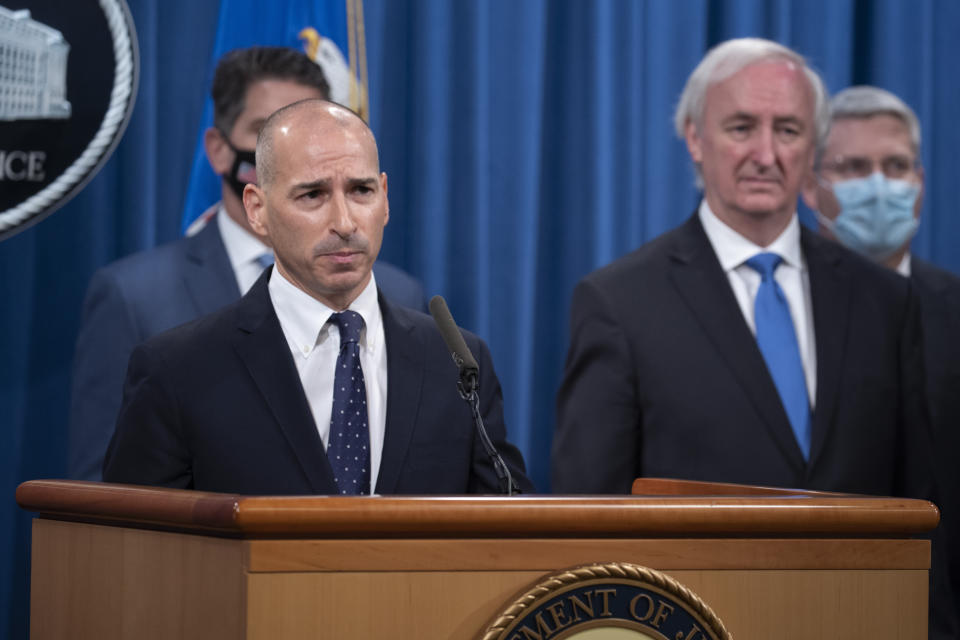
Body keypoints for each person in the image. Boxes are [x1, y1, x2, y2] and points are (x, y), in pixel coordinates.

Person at [552, 38, 931, 499]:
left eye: (788, 130)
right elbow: (591, 512)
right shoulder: (621, 303)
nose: (766, 155)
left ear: (812, 147)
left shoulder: (885, 300)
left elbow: (924, 505)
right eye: (741, 128)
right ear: (695, 138)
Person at [103, 99, 532, 495]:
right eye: (313, 195)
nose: (344, 222)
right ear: (257, 209)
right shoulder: (177, 370)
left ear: (384, 198)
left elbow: (507, 527)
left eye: (361, 191)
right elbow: (137, 554)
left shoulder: (457, 363)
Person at [69, 47, 425, 482]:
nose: (343, 219)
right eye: (268, 136)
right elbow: (105, 500)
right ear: (219, 150)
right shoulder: (135, 297)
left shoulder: (403, 298)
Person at [802, 85, 960, 619]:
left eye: (896, 165)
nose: (879, 185)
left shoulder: (954, 309)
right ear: (810, 185)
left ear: (919, 181)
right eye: (853, 167)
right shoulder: (777, 313)